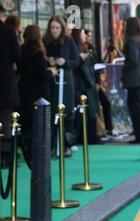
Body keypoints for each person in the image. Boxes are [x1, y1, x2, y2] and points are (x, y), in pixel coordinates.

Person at [18, 24, 58, 153]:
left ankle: (28, 149)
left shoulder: (22, 49)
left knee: (27, 125)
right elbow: (42, 73)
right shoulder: (38, 51)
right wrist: (51, 72)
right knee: (40, 123)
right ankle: (39, 150)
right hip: (39, 93)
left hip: (24, 91)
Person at [43, 16, 80, 157]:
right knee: (52, 113)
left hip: (66, 81)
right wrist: (49, 61)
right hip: (51, 81)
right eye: (52, 27)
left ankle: (67, 145)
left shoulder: (69, 41)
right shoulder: (46, 41)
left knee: (67, 112)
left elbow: (76, 61)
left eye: (57, 28)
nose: (54, 30)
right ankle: (53, 145)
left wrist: (64, 62)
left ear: (62, 28)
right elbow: (41, 60)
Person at [0, 4, 21, 168]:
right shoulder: (8, 32)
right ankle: (6, 157)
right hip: (5, 82)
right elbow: (17, 56)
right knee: (6, 120)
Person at [72, 28, 101, 145]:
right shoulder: (78, 49)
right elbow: (84, 69)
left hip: (86, 84)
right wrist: (92, 83)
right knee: (88, 112)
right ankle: (89, 138)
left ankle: (90, 137)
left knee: (89, 112)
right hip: (84, 85)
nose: (85, 36)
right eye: (83, 34)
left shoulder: (84, 48)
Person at [122, 17, 140, 144]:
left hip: (132, 79)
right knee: (137, 107)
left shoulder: (132, 41)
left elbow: (133, 60)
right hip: (138, 78)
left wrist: (124, 68)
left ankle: (139, 135)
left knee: (135, 107)